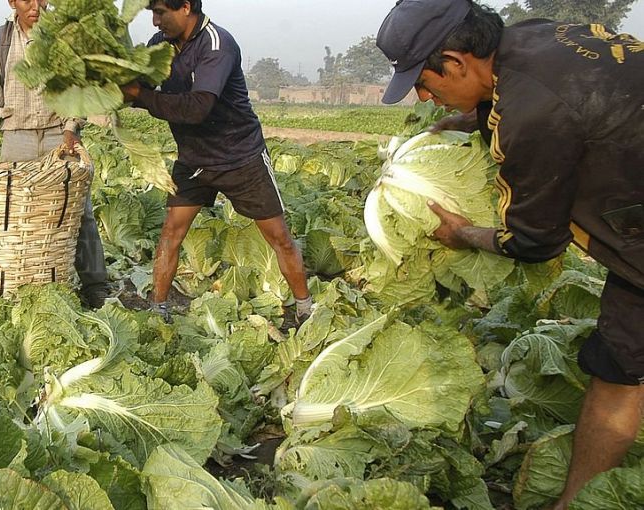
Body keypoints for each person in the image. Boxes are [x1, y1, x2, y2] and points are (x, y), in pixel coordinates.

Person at [376, 1, 644, 507]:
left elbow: (536, 242)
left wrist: (465, 235)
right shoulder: (536, 37)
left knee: (618, 373)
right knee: (618, 364)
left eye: (427, 85)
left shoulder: (529, 113)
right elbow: (568, 100)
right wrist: (473, 118)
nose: (428, 99)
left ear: (456, 61)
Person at [121, 0, 313, 324]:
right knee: (171, 232)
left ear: (185, 7)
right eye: (151, 13)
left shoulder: (217, 44)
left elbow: (197, 108)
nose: (154, 22)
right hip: (194, 159)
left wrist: (139, 95)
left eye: (160, 13)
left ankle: (306, 308)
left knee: (278, 236)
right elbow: (137, 87)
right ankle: (159, 310)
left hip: (240, 157)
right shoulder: (160, 46)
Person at [0, 0, 108, 308]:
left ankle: (95, 284)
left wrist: (72, 127)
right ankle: (18, 284)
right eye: (27, 0)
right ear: (12, 2)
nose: (35, 6)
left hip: (60, 135)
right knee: (12, 213)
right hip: (17, 136)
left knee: (77, 211)